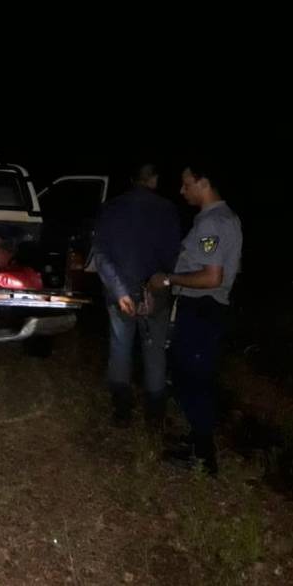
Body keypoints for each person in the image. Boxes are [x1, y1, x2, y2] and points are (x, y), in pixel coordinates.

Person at [147, 160, 242, 475]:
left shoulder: (213, 222)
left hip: (203, 309)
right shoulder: (221, 218)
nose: (181, 190)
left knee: (193, 379)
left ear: (204, 183)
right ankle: (197, 441)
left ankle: (203, 457)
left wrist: (168, 279)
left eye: (186, 184)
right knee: (189, 376)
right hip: (203, 310)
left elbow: (212, 277)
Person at [92, 163, 180, 427]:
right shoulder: (167, 209)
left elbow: (101, 255)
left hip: (120, 292)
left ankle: (122, 411)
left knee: (120, 347)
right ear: (154, 179)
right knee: (155, 351)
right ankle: (154, 415)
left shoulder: (111, 208)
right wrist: (158, 286)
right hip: (156, 291)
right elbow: (173, 255)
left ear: (132, 179)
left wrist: (120, 292)